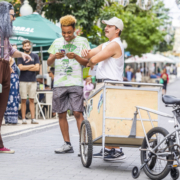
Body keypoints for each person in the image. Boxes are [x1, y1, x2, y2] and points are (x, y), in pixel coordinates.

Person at [81, 17, 126, 161]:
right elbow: (90, 55)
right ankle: (108, 149)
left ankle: (115, 149)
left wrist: (90, 60)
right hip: (104, 84)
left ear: (117, 30)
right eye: (105, 26)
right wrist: (85, 52)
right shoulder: (107, 44)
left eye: (109, 26)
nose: (106, 28)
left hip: (111, 85)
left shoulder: (114, 44)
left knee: (110, 116)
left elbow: (94, 59)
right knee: (104, 117)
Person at [47, 15, 90, 154]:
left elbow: (88, 62)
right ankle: (67, 144)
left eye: (69, 32)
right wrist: (54, 57)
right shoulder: (56, 42)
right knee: (61, 113)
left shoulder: (83, 41)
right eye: (64, 32)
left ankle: (83, 145)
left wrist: (76, 57)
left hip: (76, 82)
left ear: (75, 30)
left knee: (78, 112)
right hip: (59, 83)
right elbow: (48, 62)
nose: (66, 35)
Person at [0, 1, 32, 154]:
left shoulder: (5, 34)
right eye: (12, 16)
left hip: (6, 67)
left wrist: (22, 54)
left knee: (1, 109)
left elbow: (11, 50)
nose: (13, 19)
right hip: (1, 67)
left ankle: (0, 145)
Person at [17, 40, 40, 125]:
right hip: (23, 80)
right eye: (25, 46)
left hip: (33, 81)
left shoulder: (35, 56)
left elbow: (37, 68)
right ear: (23, 47)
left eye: (28, 45)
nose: (27, 47)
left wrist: (25, 67)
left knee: (31, 100)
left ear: (30, 46)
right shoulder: (20, 56)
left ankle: (33, 119)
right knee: (23, 100)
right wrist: (31, 66)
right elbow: (20, 68)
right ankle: (23, 119)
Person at [4, 44, 20, 124]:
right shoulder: (9, 58)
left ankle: (11, 119)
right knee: (8, 99)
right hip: (10, 80)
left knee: (13, 99)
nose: (15, 51)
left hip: (14, 80)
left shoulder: (12, 59)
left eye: (16, 49)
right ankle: (9, 119)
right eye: (14, 49)